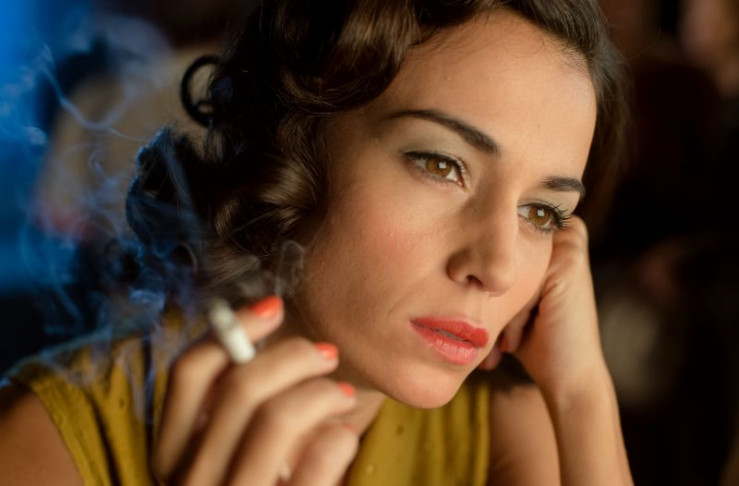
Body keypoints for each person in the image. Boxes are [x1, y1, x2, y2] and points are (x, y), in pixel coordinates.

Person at [0, 0, 632, 484]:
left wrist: (582, 393)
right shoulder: (41, 441)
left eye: (542, 212)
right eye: (441, 165)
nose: (497, 266)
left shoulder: (503, 426)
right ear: (296, 145)